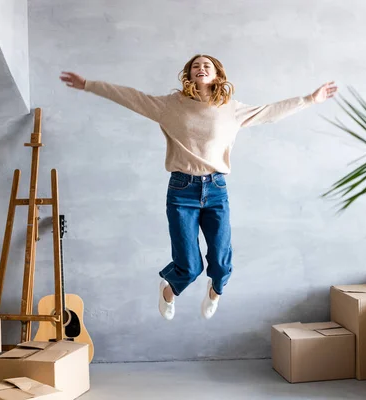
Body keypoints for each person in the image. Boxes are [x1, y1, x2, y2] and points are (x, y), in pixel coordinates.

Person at [60, 54, 337, 321]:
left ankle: (215, 292)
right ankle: (168, 291)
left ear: (217, 74)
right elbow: (131, 97)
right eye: (195, 66)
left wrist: (311, 99)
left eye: (207, 65)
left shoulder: (231, 108)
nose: (201, 68)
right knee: (189, 265)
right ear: (189, 74)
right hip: (182, 190)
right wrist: (89, 85)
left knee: (221, 262)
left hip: (216, 188)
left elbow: (271, 113)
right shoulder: (171, 105)